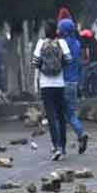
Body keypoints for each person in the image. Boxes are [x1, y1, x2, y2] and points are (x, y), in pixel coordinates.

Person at [32, 19, 71, 161]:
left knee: (51, 116)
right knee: (61, 116)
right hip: (59, 84)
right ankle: (64, 146)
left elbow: (35, 63)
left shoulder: (40, 44)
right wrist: (58, 65)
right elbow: (68, 60)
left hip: (45, 85)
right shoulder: (62, 43)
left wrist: (44, 67)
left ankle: (56, 146)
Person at [59, 18, 89, 155]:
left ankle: (62, 144)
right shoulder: (77, 44)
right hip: (74, 83)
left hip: (62, 82)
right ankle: (80, 134)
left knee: (62, 115)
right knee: (70, 113)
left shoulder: (61, 44)